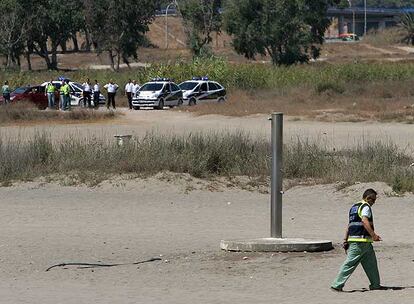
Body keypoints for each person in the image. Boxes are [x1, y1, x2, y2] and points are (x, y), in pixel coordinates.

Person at [331, 189, 384, 292]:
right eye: (373, 200)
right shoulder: (365, 207)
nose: (374, 202)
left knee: (371, 264)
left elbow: (349, 225)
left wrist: (345, 240)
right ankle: (336, 285)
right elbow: (364, 221)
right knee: (350, 263)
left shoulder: (354, 207)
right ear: (368, 198)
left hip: (363, 242)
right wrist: (373, 235)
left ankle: (375, 285)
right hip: (360, 241)